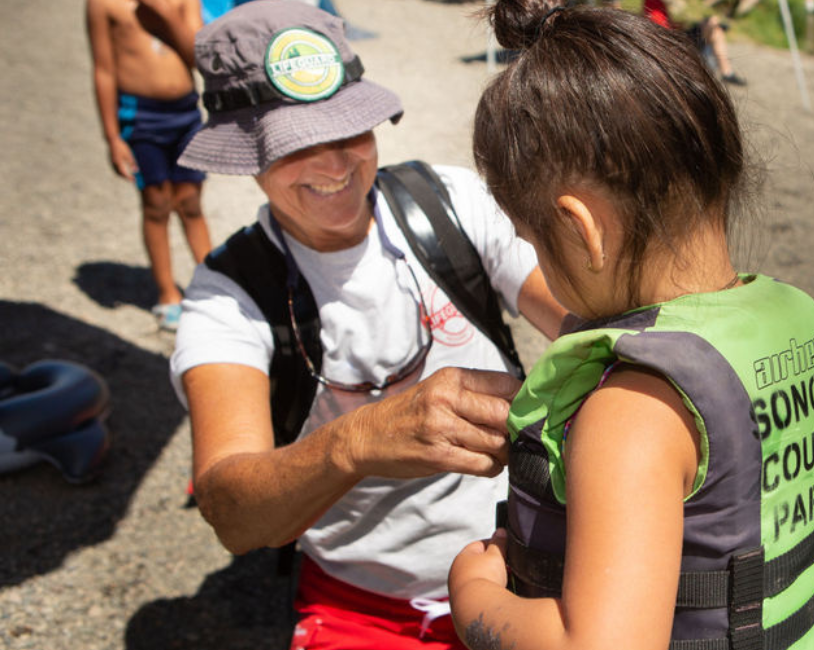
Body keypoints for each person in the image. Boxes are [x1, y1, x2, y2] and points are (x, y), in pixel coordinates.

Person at [447, 3, 814, 650]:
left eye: (531, 239)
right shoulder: (798, 321)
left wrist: (473, 597)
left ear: (582, 230)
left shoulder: (633, 409)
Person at [168, 2, 566, 648]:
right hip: (369, 608)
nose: (334, 166)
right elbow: (230, 513)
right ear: (247, 153)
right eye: (295, 145)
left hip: (532, 562)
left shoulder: (451, 200)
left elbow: (583, 317)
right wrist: (354, 442)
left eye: (350, 131)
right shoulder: (228, 296)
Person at [86, 0, 212, 331]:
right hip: (139, 117)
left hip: (186, 113)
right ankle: (167, 292)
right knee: (156, 202)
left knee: (191, 201)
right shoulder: (103, 4)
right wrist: (112, 137)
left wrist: (167, 15)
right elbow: (103, 69)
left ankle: (214, 284)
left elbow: (199, 59)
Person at [643, 0, 747, 86]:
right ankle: (726, 72)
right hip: (675, 41)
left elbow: (668, 25)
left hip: (677, 36)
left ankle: (725, 72)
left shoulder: (658, 4)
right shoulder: (653, 4)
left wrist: (681, 24)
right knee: (713, 27)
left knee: (714, 27)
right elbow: (662, 32)